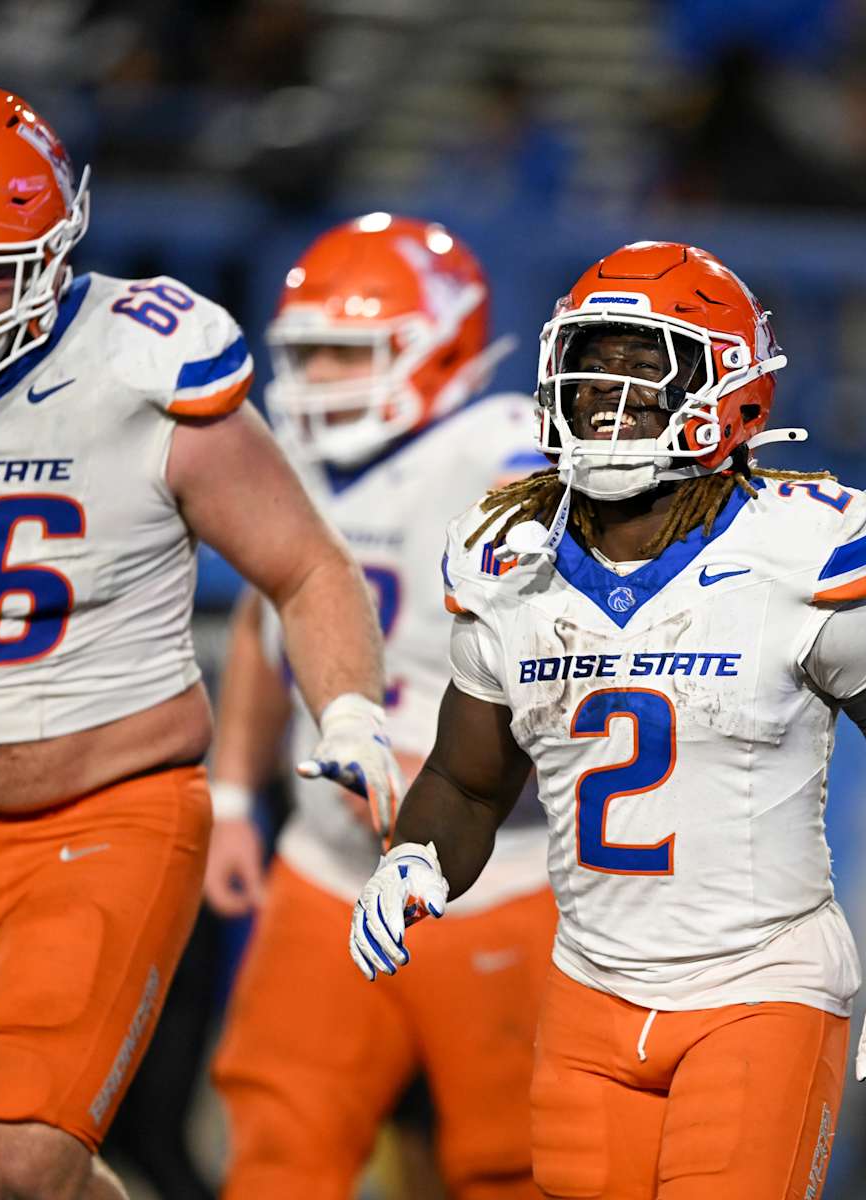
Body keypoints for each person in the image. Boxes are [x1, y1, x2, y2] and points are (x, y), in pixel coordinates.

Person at [0, 83, 396, 1200]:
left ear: (56, 252)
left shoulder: (142, 363)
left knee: (14, 1154)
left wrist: (349, 711)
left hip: (105, 816)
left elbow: (306, 566)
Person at [344, 241, 866, 1197]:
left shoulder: (793, 551)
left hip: (760, 989)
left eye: (641, 370)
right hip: (587, 995)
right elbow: (467, 779)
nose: (605, 395)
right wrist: (416, 854)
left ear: (727, 392)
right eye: (591, 366)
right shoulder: (511, 561)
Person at [203, 213, 556, 1200]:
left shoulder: (507, 464)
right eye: (306, 353)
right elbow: (262, 626)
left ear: (438, 347)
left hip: (495, 876)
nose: (315, 379)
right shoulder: (298, 458)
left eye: (343, 354)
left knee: (510, 1167)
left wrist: (453, 779)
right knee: (276, 1153)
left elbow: (567, 669)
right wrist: (232, 794)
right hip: (324, 867)